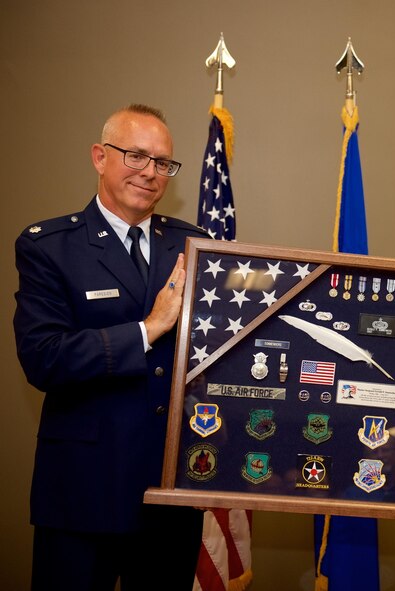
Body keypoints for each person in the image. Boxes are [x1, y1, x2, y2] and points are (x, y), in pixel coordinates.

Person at [14, 104, 208, 590]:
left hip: (167, 493)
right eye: (136, 156)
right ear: (100, 157)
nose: (150, 172)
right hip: (83, 491)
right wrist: (149, 328)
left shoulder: (193, 247)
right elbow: (44, 358)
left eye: (162, 162)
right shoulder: (49, 246)